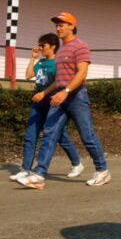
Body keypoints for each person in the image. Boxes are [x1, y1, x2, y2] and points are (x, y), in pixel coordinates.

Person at [18, 12, 110, 189]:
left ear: (72, 27)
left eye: (62, 24)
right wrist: (45, 93)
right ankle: (39, 175)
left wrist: (66, 91)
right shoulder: (60, 52)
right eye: (57, 25)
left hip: (76, 96)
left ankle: (102, 170)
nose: (58, 28)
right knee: (49, 134)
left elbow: (82, 73)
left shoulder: (80, 46)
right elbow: (58, 80)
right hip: (59, 96)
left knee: (87, 136)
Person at [9, 33, 84, 181]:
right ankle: (26, 169)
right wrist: (33, 58)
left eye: (43, 46)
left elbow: (59, 82)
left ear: (53, 46)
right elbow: (28, 75)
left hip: (54, 102)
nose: (41, 48)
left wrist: (45, 93)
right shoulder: (41, 62)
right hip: (39, 102)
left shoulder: (58, 62)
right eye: (40, 45)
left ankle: (77, 163)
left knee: (59, 136)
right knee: (30, 135)